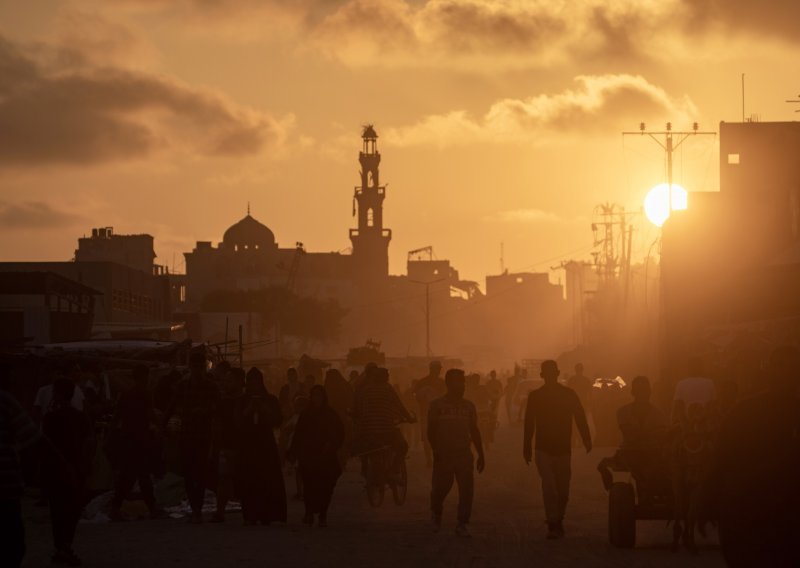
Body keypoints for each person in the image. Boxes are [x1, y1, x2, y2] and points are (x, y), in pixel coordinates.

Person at [705, 346, 800, 567]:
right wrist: (705, 497)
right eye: (778, 365)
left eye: (791, 366)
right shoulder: (743, 412)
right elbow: (720, 458)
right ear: (767, 371)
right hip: (748, 519)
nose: (784, 372)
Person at [523, 360, 591, 539]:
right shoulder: (536, 396)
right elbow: (529, 422)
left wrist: (587, 438)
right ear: (542, 375)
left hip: (563, 449)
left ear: (558, 373)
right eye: (548, 373)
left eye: (553, 373)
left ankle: (558, 519)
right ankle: (553, 522)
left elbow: (580, 416)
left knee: (563, 490)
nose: (551, 376)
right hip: (543, 448)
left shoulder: (568, 394)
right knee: (550, 487)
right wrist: (526, 446)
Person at [42, 377, 93, 566]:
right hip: (75, 469)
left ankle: (61, 547)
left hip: (57, 470)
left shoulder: (51, 418)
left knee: (58, 510)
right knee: (72, 510)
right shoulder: (80, 417)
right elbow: (88, 443)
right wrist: (85, 468)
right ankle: (65, 546)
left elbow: (45, 445)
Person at [428, 368, 485, 537]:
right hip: (444, 454)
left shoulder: (469, 406)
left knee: (466, 490)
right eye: (459, 382)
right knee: (440, 489)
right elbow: (431, 431)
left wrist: (481, 453)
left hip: (463, 454)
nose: (462, 386)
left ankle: (462, 523)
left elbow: (474, 431)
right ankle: (436, 514)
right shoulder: (437, 405)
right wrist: (435, 450)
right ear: (448, 384)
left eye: (463, 382)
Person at [164, 351, 219, 523]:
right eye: (194, 366)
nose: (197, 370)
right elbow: (171, 406)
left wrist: (205, 411)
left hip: (203, 435)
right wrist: (163, 425)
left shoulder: (211, 386)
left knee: (200, 473)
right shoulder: (182, 385)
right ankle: (196, 508)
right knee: (188, 473)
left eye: (199, 366)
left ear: (203, 367)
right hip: (187, 434)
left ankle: (197, 508)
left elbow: (218, 408)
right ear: (191, 367)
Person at [1, 373, 43, 568]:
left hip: (7, 483)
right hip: (6, 483)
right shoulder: (5, 401)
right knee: (12, 542)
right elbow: (31, 439)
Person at [110, 365, 162, 521]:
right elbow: (150, 414)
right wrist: (160, 425)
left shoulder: (126, 394)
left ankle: (116, 508)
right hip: (141, 439)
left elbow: (116, 417)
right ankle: (152, 508)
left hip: (128, 439)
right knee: (142, 475)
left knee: (128, 475)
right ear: (144, 377)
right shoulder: (145, 393)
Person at [597, 376, 667, 492]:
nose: (642, 394)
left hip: (653, 453)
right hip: (631, 452)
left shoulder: (658, 414)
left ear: (649, 392)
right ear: (633, 392)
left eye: (644, 391)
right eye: (640, 391)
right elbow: (630, 436)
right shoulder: (623, 412)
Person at [289, 385, 345, 527]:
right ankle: (308, 513)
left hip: (326, 457)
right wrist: (293, 452)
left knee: (326, 487)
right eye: (314, 396)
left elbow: (339, 433)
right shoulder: (306, 414)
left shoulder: (330, 414)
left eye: (319, 396)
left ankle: (322, 514)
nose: (316, 399)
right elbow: (299, 435)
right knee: (309, 486)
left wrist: (331, 445)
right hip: (309, 456)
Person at [236, 367, 286, 526]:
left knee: (268, 479)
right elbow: (236, 422)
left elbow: (278, 420)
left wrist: (264, 409)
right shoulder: (242, 401)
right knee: (249, 480)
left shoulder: (271, 400)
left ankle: (268, 515)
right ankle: (250, 515)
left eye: (256, 382)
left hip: (266, 444)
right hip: (248, 445)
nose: (253, 385)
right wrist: (249, 410)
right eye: (250, 382)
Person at [353, 367, 415, 473]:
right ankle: (394, 469)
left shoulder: (366, 390)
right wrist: (409, 418)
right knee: (403, 447)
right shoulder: (387, 388)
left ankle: (365, 468)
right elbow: (399, 405)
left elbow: (360, 409)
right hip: (387, 430)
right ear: (385, 377)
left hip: (369, 431)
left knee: (366, 449)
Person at [211, 367, 244, 523]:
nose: (227, 384)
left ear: (239, 382)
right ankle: (220, 512)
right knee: (223, 478)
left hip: (241, 445)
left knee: (243, 479)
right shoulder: (223, 401)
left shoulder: (245, 401)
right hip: (226, 445)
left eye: (230, 381)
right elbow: (217, 423)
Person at [414, 361, 446, 467]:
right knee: (428, 439)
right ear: (433, 369)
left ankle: (433, 458)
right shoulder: (423, 382)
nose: (439, 370)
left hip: (438, 415)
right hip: (427, 414)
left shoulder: (441, 382)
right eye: (438, 368)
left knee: (438, 437)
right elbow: (416, 397)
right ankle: (429, 458)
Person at [671, 357, 716, 427]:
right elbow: (712, 407)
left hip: (687, 424)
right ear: (701, 367)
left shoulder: (681, 384)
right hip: (705, 425)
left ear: (688, 368)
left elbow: (678, 407)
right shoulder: (709, 383)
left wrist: (683, 426)